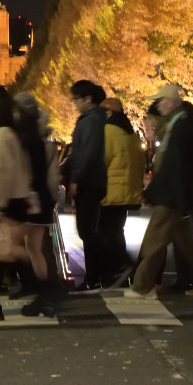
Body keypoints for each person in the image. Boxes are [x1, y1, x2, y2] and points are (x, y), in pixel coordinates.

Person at [122, 85, 193, 304]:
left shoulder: (179, 129)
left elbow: (173, 166)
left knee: (154, 242)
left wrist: (157, 192)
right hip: (176, 195)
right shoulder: (179, 126)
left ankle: (143, 286)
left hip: (171, 196)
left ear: (170, 102)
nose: (158, 106)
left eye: (160, 101)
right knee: (187, 244)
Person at [0, 90, 38, 323]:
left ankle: (44, 291)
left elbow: (0, 173)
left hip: (7, 203)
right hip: (16, 201)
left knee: (4, 253)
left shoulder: (2, 136)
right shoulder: (11, 134)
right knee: (4, 254)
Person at [15, 93, 62, 315]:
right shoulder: (35, 138)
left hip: (29, 199)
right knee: (33, 248)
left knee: (16, 247)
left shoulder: (26, 138)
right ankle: (45, 293)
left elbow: (27, 171)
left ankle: (43, 292)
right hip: (38, 198)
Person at [66, 81, 109, 290]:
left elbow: (86, 154)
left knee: (87, 229)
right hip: (92, 180)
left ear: (88, 99)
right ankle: (98, 275)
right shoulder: (94, 119)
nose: (74, 103)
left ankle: (95, 277)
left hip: (89, 181)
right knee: (88, 229)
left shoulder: (91, 121)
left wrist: (75, 178)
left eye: (77, 98)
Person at [99, 96, 145, 287]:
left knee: (106, 232)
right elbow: (141, 164)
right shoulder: (132, 134)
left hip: (111, 191)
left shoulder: (107, 131)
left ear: (109, 113)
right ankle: (121, 271)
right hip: (128, 192)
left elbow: (102, 161)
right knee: (117, 230)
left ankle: (122, 265)